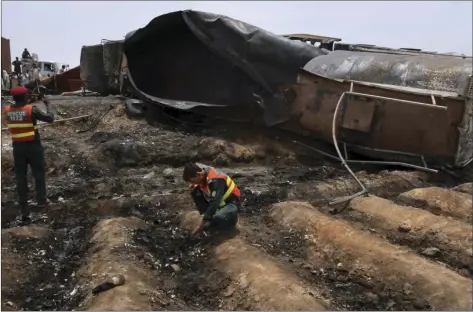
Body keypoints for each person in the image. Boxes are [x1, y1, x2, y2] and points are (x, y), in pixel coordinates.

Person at [4, 86, 55, 221]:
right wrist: (48, 105)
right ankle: (41, 201)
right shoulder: (30, 110)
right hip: (33, 146)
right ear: (25, 97)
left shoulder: (7, 111)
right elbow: (50, 118)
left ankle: (24, 207)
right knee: (38, 173)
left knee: (20, 176)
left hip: (17, 147)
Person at [182, 163, 241, 236]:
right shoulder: (202, 175)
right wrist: (205, 217)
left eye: (193, 181)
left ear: (198, 174)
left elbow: (214, 203)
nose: (192, 183)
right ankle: (209, 219)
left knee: (218, 216)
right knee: (194, 190)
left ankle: (230, 221)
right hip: (219, 204)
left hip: (231, 203)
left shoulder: (216, 179)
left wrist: (200, 225)